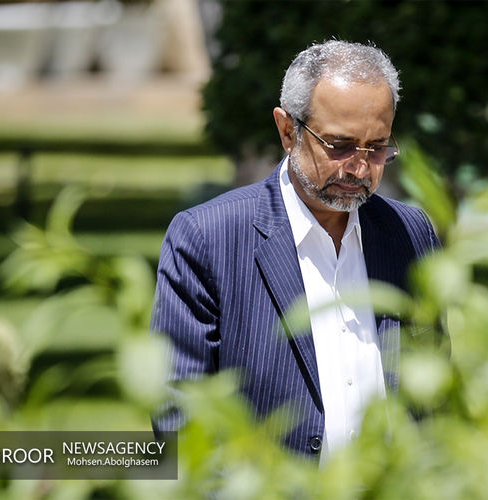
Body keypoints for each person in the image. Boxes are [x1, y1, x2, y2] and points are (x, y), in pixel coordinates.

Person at [151, 40, 439, 461]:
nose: (359, 167)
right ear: (288, 131)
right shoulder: (208, 237)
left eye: (377, 147)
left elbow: (434, 396)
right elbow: (180, 410)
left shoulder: (410, 234)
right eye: (339, 145)